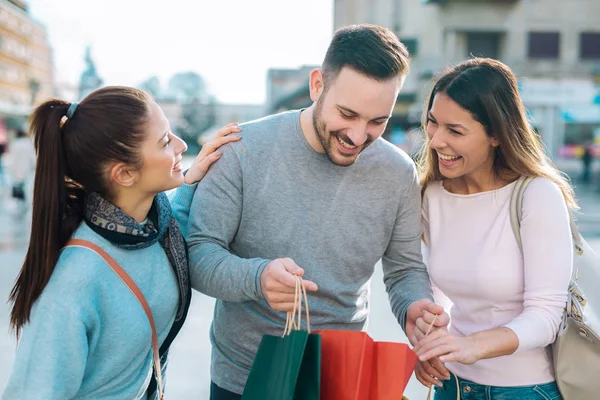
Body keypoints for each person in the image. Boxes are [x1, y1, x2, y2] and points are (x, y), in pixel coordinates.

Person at [173, 24, 449, 399]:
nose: (357, 136)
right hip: (245, 379)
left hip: (343, 378)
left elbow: (404, 270)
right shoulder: (241, 149)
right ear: (317, 85)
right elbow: (199, 255)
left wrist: (414, 306)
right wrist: (258, 278)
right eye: (347, 114)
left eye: (377, 122)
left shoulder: (398, 172)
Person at [4, 86, 241, 399]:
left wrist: (191, 180)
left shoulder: (152, 228)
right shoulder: (73, 282)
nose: (182, 145)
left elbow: (177, 227)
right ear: (125, 174)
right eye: (166, 141)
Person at [413, 58, 574, 400]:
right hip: (451, 386)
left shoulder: (535, 195)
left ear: (496, 136)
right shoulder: (431, 195)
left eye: (455, 130)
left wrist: (473, 346)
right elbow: (437, 293)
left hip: (524, 390)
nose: (437, 140)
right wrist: (433, 345)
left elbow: (546, 316)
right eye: (432, 123)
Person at [5, 128, 36, 208]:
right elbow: (33, 158)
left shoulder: (14, 144)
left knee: (18, 194)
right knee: (28, 194)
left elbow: (11, 160)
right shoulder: (28, 143)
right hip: (28, 172)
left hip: (17, 173)